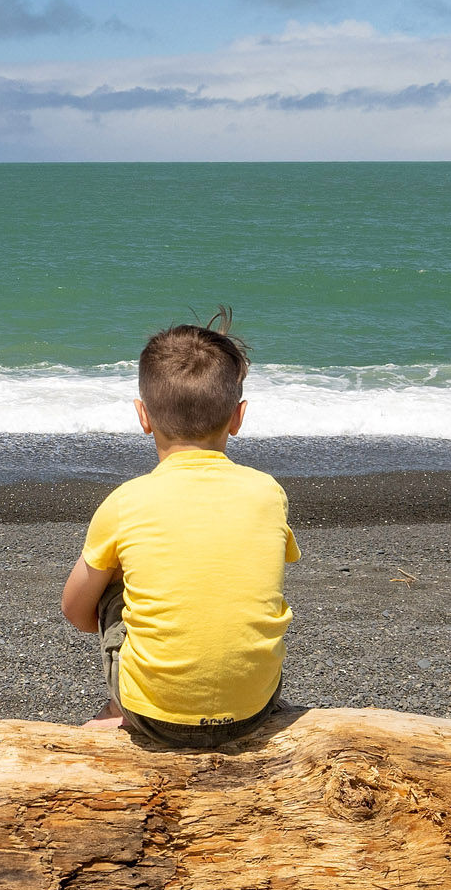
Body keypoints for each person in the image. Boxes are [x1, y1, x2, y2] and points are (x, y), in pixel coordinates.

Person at [58, 318, 299, 752]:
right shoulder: (268, 492)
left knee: (116, 580)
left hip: (153, 718)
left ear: (143, 416)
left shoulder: (127, 501)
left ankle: (119, 707)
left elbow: (75, 610)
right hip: (255, 709)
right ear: (238, 417)